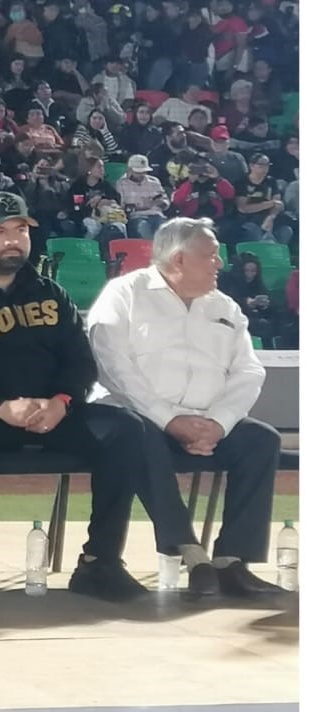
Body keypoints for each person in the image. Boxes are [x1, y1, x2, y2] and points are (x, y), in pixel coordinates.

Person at [0, 191, 175, 603]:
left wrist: (62, 401)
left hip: (52, 414)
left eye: (20, 230)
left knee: (124, 429)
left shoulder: (51, 294)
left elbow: (81, 362)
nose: (12, 239)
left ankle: (99, 562)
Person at [86, 218, 285, 599]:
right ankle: (191, 554)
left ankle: (231, 562)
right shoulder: (125, 293)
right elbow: (113, 367)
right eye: (210, 256)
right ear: (178, 259)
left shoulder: (224, 306)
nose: (219, 264)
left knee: (261, 439)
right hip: (141, 417)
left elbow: (247, 369)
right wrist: (169, 419)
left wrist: (219, 423)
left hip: (209, 422)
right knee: (136, 434)